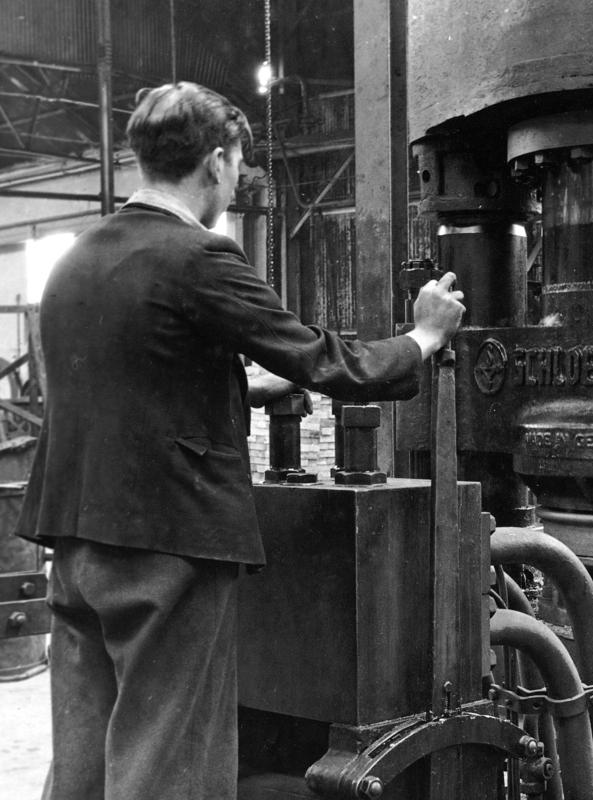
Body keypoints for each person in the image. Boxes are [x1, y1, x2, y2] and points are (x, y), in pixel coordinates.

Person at [13, 82, 465, 800]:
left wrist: (240, 388)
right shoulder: (198, 256)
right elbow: (325, 360)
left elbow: (123, 384)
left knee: (85, 767)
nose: (236, 183)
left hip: (74, 544)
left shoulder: (76, 259)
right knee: (169, 765)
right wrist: (423, 336)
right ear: (217, 161)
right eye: (238, 167)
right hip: (168, 548)